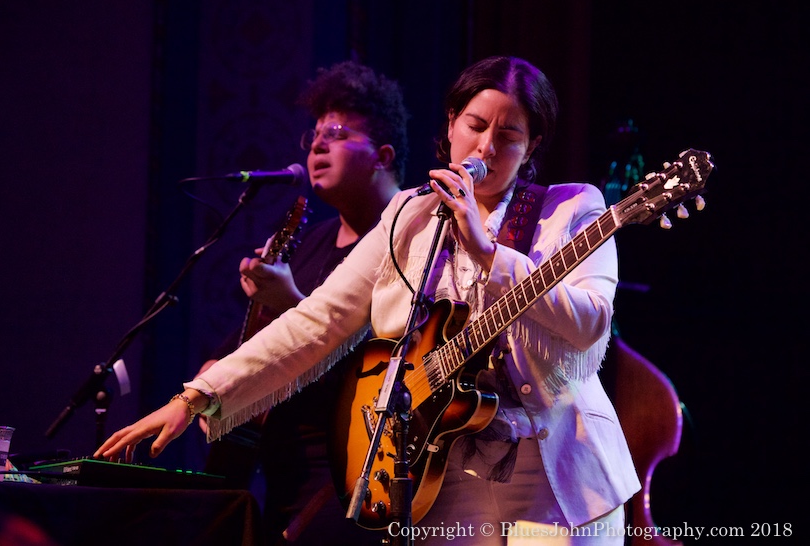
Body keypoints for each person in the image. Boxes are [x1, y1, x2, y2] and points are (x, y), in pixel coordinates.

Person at [97, 56, 640, 545]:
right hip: (445, 479)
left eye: (510, 135)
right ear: (450, 124)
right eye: (475, 126)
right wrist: (197, 396)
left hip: (554, 479)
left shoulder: (571, 210)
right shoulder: (409, 216)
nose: (486, 148)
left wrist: (488, 250)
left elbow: (591, 322)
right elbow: (317, 320)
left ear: (532, 146)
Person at [198, 60, 408, 546]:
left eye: (336, 132)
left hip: (350, 480)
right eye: (313, 134)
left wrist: (290, 301)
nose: (317, 144)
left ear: (382, 155)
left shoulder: (411, 236)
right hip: (280, 478)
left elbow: (390, 365)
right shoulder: (309, 243)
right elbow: (247, 356)